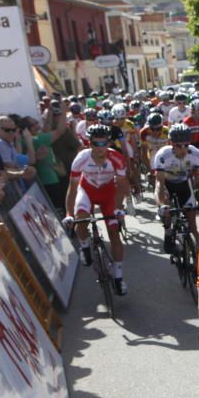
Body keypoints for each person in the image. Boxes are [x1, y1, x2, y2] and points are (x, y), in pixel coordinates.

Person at [65, 124, 130, 295]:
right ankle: (85, 246)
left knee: (114, 231)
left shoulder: (116, 158)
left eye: (104, 143)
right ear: (89, 143)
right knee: (81, 219)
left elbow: (123, 186)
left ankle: (118, 276)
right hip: (86, 191)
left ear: (109, 143)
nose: (100, 148)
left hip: (109, 194)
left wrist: (118, 207)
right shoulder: (81, 159)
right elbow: (72, 189)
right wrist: (69, 214)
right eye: (96, 143)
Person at [153, 123, 199, 255]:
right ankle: (168, 234)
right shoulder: (162, 155)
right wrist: (161, 205)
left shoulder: (195, 154)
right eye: (179, 145)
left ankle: (197, 246)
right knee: (167, 209)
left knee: (192, 221)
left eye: (186, 145)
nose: (183, 149)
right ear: (171, 143)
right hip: (167, 184)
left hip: (184, 185)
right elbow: (159, 183)